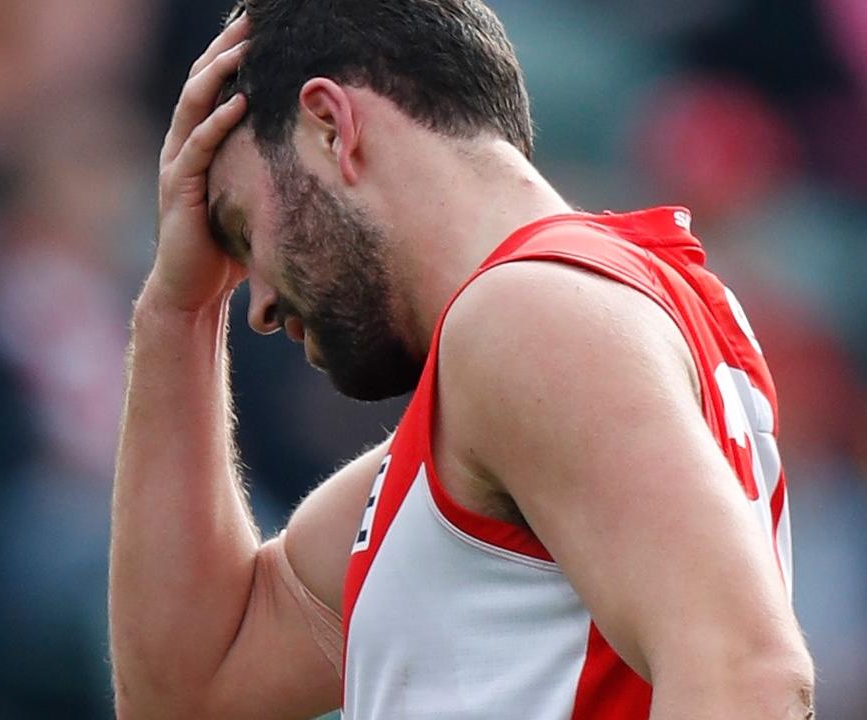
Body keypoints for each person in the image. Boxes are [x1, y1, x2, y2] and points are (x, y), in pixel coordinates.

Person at [108, 1, 814, 718]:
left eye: (238, 227)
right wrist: (178, 311)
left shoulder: (532, 316)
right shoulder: (564, 326)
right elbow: (188, 691)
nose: (254, 301)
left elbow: (743, 674)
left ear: (329, 126)